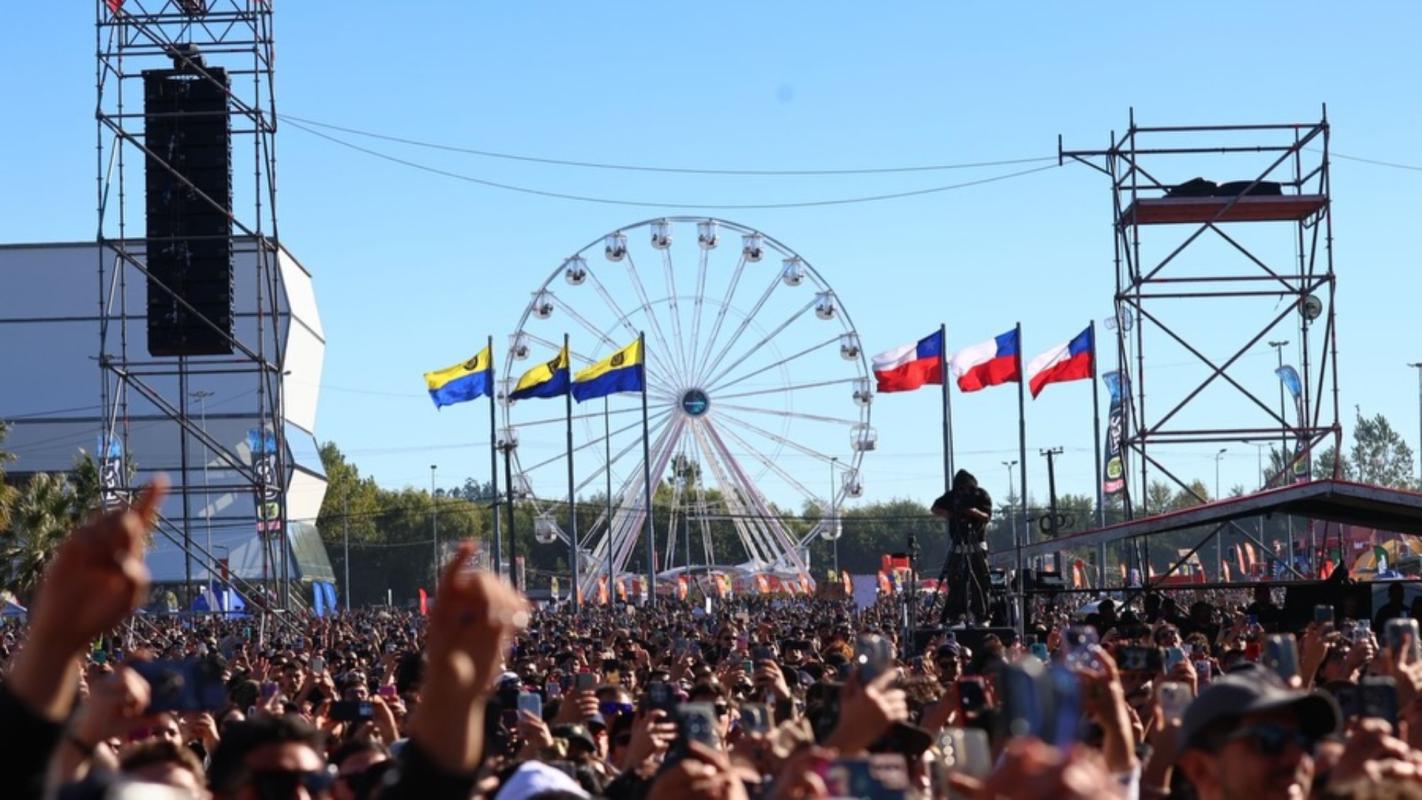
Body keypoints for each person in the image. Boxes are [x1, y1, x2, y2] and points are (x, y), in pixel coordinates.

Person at [931, 469, 994, 626]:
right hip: (958, 543)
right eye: (959, 488)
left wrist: (973, 512)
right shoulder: (952, 496)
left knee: (980, 580)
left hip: (977, 543)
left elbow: (987, 516)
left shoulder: (980, 495)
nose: (961, 491)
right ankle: (956, 614)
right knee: (955, 581)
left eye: (964, 487)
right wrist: (951, 514)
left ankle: (981, 614)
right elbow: (935, 508)